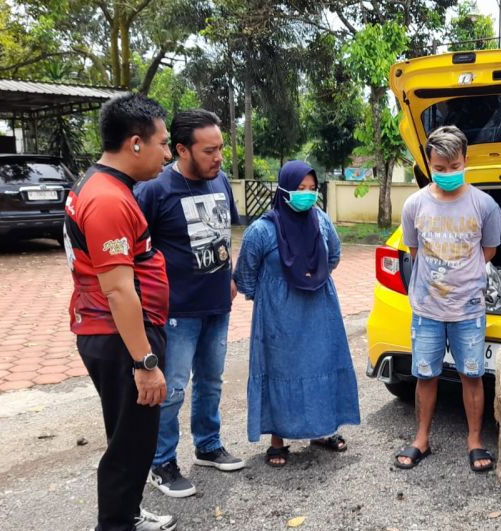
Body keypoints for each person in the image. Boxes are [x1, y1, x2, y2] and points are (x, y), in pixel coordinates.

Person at [63, 93, 176, 531]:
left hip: (119, 335)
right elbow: (118, 291)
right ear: (135, 143)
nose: (167, 154)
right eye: (163, 143)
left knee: (129, 436)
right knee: (130, 446)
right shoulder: (107, 199)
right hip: (121, 338)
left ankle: (127, 517)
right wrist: (145, 362)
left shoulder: (104, 185)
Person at [134, 109, 244, 499]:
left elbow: (222, 234)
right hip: (176, 312)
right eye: (209, 150)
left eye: (221, 148)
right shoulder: (154, 190)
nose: (218, 157)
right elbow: (137, 252)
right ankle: (161, 461)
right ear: (182, 149)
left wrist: (230, 275)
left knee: (211, 381)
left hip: (217, 304)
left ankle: (208, 445)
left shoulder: (221, 182)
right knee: (173, 389)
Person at [233, 160, 360, 467]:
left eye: (312, 188)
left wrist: (311, 276)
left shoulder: (321, 221)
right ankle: (278, 440)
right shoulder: (261, 230)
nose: (308, 194)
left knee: (321, 363)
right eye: (300, 188)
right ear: (284, 189)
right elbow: (246, 275)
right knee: (282, 369)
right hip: (279, 316)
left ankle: (322, 430)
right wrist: (275, 293)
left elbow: (334, 255)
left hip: (319, 309)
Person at [394, 125, 501, 473]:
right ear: (429, 163)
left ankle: (475, 440)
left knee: (472, 374)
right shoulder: (414, 205)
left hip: (468, 308)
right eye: (439, 168)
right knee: (425, 375)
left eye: (454, 166)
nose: (447, 173)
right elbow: (414, 251)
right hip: (427, 308)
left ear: (465, 160)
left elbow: (488, 251)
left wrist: (460, 276)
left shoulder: (485, 205)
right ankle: (421, 439)